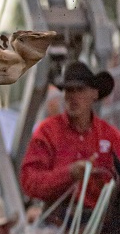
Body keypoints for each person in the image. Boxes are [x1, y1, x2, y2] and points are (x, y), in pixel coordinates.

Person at [20, 60, 120, 215]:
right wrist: (69, 174)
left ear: (94, 93)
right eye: (69, 90)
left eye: (79, 90)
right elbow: (29, 182)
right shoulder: (47, 132)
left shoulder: (110, 135)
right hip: (57, 219)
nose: (73, 96)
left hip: (101, 221)